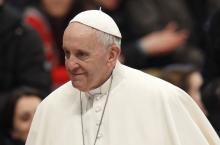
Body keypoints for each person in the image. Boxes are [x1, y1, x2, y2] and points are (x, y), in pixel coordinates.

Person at [26, 10, 220, 145]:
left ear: (112, 55)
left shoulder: (162, 99)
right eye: (67, 53)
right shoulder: (50, 108)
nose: (71, 64)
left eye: (82, 54)